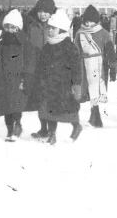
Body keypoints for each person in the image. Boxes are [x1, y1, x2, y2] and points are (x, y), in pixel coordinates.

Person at [29, 9, 82, 145]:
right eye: (49, 28)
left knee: (68, 112)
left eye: (53, 28)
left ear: (62, 30)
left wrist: (76, 85)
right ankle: (51, 134)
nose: (50, 31)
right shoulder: (47, 46)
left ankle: (77, 127)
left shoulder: (69, 47)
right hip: (47, 84)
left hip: (63, 86)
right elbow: (41, 65)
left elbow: (76, 68)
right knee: (47, 110)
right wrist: (37, 80)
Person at [0, 10, 35, 141]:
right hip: (3, 80)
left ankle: (17, 126)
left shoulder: (25, 43)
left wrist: (26, 78)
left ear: (18, 28)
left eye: (12, 27)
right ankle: (9, 129)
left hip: (18, 79)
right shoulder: (1, 43)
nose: (9, 29)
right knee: (6, 106)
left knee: (16, 106)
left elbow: (30, 62)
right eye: (7, 26)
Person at [75, 5, 117, 128]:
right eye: (86, 21)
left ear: (96, 21)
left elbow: (110, 51)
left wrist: (113, 66)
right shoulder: (80, 33)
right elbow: (75, 50)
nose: (88, 24)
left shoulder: (104, 33)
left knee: (96, 90)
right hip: (83, 65)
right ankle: (93, 116)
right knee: (87, 90)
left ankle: (96, 116)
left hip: (100, 66)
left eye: (91, 21)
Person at [25, 0, 57, 139]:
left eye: (46, 12)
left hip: (52, 70)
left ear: (52, 13)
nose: (43, 15)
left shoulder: (56, 27)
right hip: (35, 69)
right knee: (40, 101)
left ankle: (52, 132)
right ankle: (43, 129)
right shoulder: (30, 24)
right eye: (40, 11)